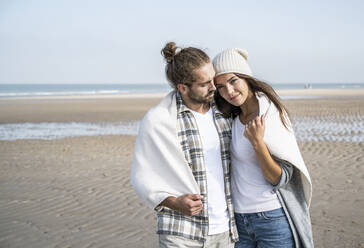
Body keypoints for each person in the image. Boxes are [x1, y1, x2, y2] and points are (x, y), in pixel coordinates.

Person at [130, 42, 238, 247]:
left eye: (213, 79)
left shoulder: (225, 112)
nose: (214, 87)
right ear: (183, 88)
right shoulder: (159, 120)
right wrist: (174, 203)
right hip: (181, 233)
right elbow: (141, 177)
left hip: (226, 230)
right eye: (205, 84)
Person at [212, 48, 314, 248]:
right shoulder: (230, 118)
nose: (229, 92)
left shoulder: (271, 114)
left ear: (246, 78)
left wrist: (258, 143)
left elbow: (279, 178)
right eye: (221, 86)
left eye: (233, 81)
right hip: (238, 221)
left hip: (271, 219)